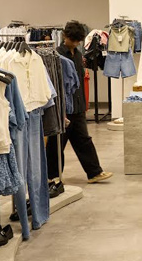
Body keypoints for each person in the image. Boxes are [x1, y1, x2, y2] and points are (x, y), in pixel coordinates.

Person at [45, 21, 112, 195]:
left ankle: (94, 172)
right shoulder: (57, 56)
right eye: (73, 40)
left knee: (84, 140)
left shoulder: (78, 54)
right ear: (65, 36)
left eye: (78, 41)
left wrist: (83, 104)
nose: (75, 43)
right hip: (63, 109)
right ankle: (52, 177)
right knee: (56, 144)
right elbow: (56, 84)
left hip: (78, 107)